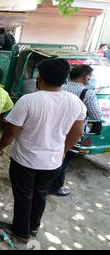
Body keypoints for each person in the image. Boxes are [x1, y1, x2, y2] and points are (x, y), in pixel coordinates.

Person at [0, 58, 86, 242]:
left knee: (24, 195)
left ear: (40, 78)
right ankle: (33, 227)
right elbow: (77, 133)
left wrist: (0, 148)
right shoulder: (75, 102)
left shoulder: (28, 100)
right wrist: (63, 151)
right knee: (40, 194)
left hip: (25, 160)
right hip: (52, 162)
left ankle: (21, 231)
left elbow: (12, 130)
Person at [50, 65, 101, 197]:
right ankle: (55, 187)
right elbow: (96, 115)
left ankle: (43, 183)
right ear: (86, 77)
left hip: (53, 129)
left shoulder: (59, 87)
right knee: (64, 160)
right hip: (73, 133)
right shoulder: (87, 93)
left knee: (51, 157)